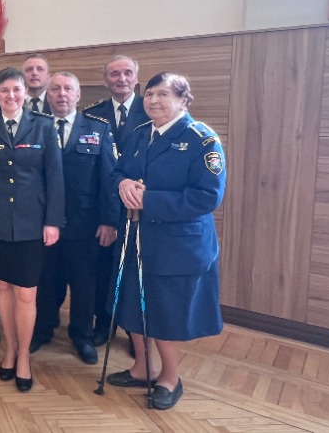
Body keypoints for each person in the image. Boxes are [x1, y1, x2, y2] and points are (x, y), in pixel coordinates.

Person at [107, 72, 226, 410]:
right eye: (149, 94)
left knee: (166, 313)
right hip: (137, 238)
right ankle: (142, 368)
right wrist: (122, 184)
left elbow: (207, 196)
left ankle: (170, 378)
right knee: (133, 304)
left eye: (163, 94)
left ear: (183, 99)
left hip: (177, 245)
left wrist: (149, 200)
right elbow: (117, 171)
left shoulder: (202, 139)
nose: (154, 100)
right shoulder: (139, 134)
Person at [0, 67, 64, 392]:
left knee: (26, 293)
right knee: (3, 288)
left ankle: (24, 357)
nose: (11, 96)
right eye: (5, 90)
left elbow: (55, 178)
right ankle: (9, 350)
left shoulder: (44, 127)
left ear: (25, 93)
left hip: (31, 223)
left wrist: (52, 221)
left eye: (16, 90)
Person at [32, 72, 117, 364]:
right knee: (46, 280)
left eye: (68, 89)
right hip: (43, 222)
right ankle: (42, 328)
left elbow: (108, 178)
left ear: (78, 95)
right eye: (55, 89)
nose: (61, 94)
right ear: (48, 95)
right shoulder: (35, 127)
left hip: (84, 224)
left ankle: (82, 335)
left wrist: (109, 221)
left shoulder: (98, 128)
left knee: (84, 284)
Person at [83, 54, 149, 346]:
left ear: (136, 77)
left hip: (140, 208)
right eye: (114, 74)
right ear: (105, 80)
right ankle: (103, 321)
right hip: (103, 206)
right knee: (101, 267)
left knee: (136, 271)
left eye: (127, 73)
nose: (121, 78)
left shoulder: (152, 112)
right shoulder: (92, 114)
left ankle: (135, 331)